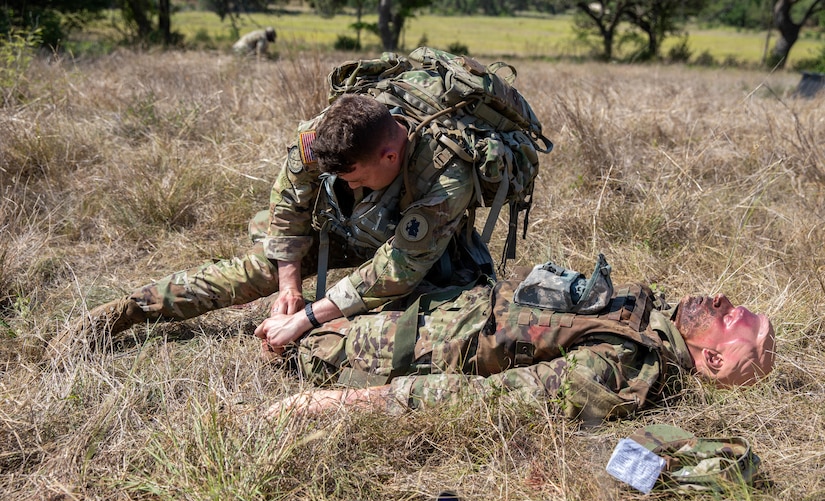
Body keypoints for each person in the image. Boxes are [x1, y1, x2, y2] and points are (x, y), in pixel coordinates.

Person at [57, 92, 496, 353]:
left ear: (390, 156)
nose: (350, 185)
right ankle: (132, 308)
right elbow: (287, 209)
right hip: (347, 230)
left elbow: (396, 271)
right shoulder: (320, 139)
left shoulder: (443, 175)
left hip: (425, 255)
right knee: (260, 269)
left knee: (403, 324)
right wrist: (290, 286)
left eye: (354, 178)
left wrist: (306, 318)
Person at [263, 268, 776, 422]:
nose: (719, 296)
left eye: (728, 315)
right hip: (446, 304)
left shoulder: (625, 360)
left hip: (408, 345)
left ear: (711, 357)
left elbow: (505, 397)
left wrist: (339, 403)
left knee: (297, 344)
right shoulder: (646, 319)